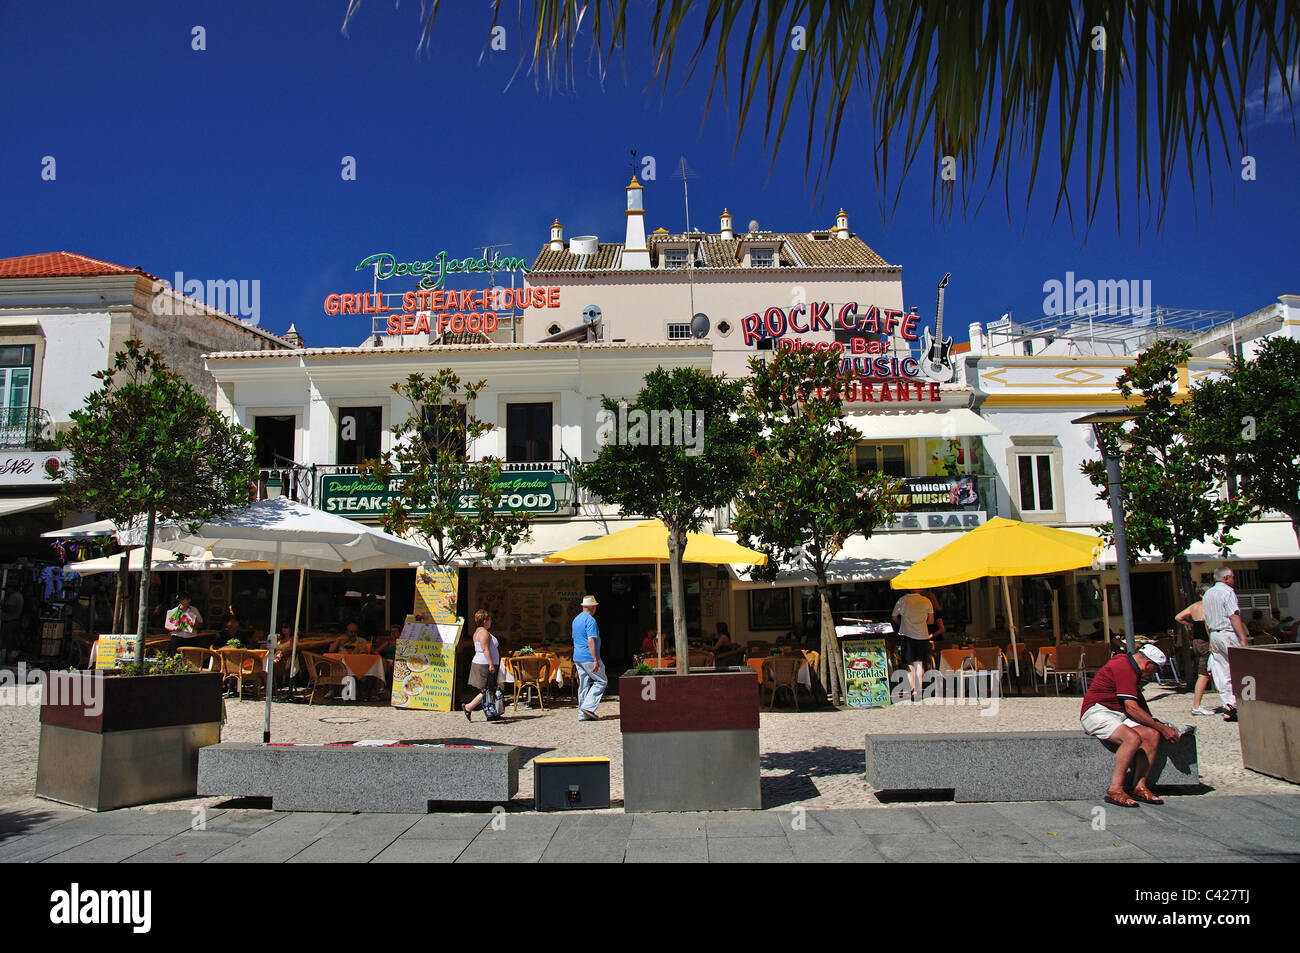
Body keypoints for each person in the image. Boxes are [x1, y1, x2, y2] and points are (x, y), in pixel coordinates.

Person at [1079, 643, 1182, 807]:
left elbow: (1137, 703)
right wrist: (1162, 728)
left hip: (1117, 713)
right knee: (1132, 738)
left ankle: (1139, 786)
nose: (1151, 675)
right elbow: (1132, 707)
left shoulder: (1129, 665)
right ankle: (1115, 789)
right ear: (1148, 664)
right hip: (1096, 712)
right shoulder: (1124, 667)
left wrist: (1156, 726)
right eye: (1154, 671)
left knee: (1151, 735)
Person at [1203, 566, 1249, 722]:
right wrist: (1243, 638)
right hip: (1227, 633)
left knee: (1221, 672)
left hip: (1215, 635)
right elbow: (1233, 616)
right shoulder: (1228, 592)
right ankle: (1239, 703)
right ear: (1226, 578)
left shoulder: (1208, 594)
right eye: (1233, 577)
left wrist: (1211, 640)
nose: (1234, 580)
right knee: (1239, 669)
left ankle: (1228, 704)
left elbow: (1207, 622)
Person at [1175, 584, 1214, 716]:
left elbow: (1178, 617)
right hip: (1206, 641)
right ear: (1203, 594)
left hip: (1197, 641)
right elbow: (1208, 626)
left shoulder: (1194, 606)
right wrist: (1212, 642)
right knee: (1204, 674)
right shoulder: (1206, 606)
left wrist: (1190, 625)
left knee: (1204, 672)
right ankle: (1196, 705)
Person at [892, 588, 934, 702]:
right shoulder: (927, 601)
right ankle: (919, 691)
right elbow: (931, 621)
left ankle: (913, 689)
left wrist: (903, 623)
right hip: (922, 636)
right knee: (920, 663)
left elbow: (894, 617)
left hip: (907, 635)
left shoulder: (902, 600)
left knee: (910, 664)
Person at [462, 609, 500, 721]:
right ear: (484, 621)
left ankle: (491, 712)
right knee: (487, 689)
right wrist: (491, 664)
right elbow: (485, 649)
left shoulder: (478, 631)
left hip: (482, 663)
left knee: (488, 690)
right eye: (489, 620)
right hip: (484, 664)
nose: (490, 622)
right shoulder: (483, 633)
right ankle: (470, 707)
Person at [572, 595, 605, 721]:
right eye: (595, 606)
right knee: (601, 681)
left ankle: (582, 714)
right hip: (588, 656)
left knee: (583, 684)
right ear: (592, 607)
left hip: (578, 656)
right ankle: (588, 707)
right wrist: (595, 659)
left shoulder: (576, 619)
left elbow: (575, 638)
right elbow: (591, 640)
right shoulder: (590, 620)